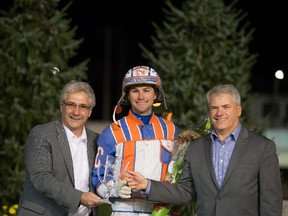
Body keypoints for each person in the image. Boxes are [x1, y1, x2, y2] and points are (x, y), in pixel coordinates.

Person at [126, 84, 283, 216]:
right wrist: (147, 185)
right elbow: (185, 191)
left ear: (238, 110)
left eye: (226, 107)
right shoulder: (195, 148)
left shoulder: (262, 147)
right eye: (214, 107)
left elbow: (271, 202)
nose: (219, 113)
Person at [92, 66, 179, 215]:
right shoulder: (112, 132)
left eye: (146, 90)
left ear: (155, 94)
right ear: (127, 95)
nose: (141, 96)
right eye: (135, 91)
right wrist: (114, 189)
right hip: (123, 210)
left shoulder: (171, 130)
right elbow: (98, 177)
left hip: (161, 211)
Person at [18, 80, 104, 216]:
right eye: (71, 105)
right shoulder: (42, 134)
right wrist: (79, 197)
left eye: (83, 107)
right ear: (61, 106)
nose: (76, 112)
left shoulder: (97, 140)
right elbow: (41, 178)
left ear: (90, 112)